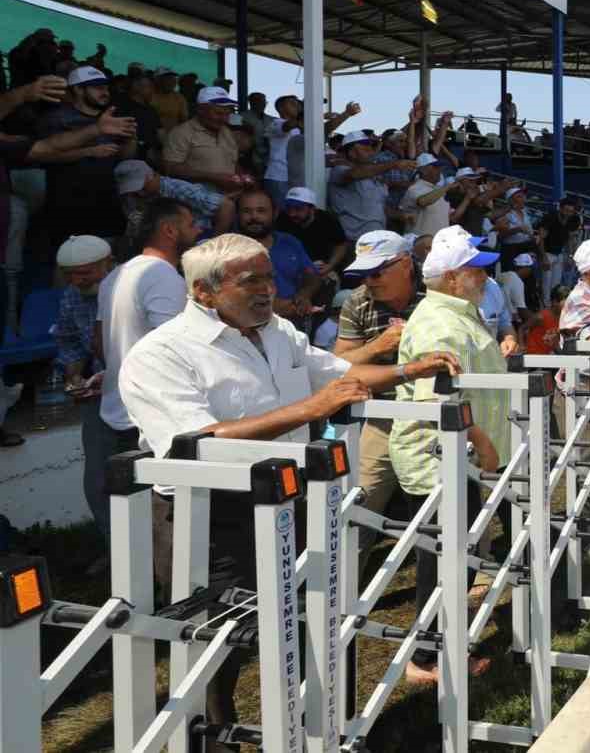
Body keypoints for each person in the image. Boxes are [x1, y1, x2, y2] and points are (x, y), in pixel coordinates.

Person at [118, 234, 457, 743]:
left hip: (293, 499)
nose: (268, 290)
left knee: (313, 620)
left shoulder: (277, 331)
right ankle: (215, 738)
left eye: (270, 277)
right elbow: (193, 442)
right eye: (251, 280)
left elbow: (341, 373)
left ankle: (321, 732)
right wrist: (309, 410)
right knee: (217, 645)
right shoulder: (160, 355)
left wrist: (408, 368)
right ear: (203, 293)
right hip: (209, 519)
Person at [388, 226, 518, 684]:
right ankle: (428, 657)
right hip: (439, 457)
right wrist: (483, 442)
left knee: (450, 558)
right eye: (474, 270)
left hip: (457, 454)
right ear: (450, 278)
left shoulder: (457, 312)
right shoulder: (441, 323)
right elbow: (435, 400)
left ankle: (440, 647)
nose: (484, 276)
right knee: (441, 560)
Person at [92, 200, 198, 543]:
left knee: (135, 525)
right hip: (148, 413)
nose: (197, 231)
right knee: (162, 523)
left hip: (118, 407)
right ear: (170, 230)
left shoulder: (115, 274)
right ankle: (168, 591)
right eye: (191, 224)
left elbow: (98, 342)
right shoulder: (162, 274)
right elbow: (171, 348)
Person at [333, 230, 425, 537]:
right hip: (382, 411)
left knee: (451, 496)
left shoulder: (438, 293)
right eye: (363, 272)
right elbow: (339, 366)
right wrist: (377, 346)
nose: (370, 280)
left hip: (434, 408)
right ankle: (348, 582)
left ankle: (471, 572)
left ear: (406, 264)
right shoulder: (357, 302)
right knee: (361, 499)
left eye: (377, 271)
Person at [36, 66, 136, 243]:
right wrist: (88, 152)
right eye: (97, 88)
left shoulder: (112, 118)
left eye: (105, 87)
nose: (105, 92)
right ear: (78, 89)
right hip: (68, 205)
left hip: (107, 203)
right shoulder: (57, 118)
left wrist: (131, 139)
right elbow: (44, 156)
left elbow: (126, 157)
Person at [235, 188, 321, 324]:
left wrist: (304, 294)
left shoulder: (290, 242)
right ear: (238, 215)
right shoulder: (228, 249)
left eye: (261, 211)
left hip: (294, 320)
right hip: (250, 324)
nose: (254, 217)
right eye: (247, 211)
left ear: (274, 214)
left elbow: (312, 275)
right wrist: (277, 307)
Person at [52, 234, 113, 392]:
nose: (76, 281)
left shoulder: (131, 287)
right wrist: (74, 376)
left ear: (108, 263)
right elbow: (70, 342)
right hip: (103, 383)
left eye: (84, 273)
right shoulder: (72, 295)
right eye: (69, 275)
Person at [160, 86, 246, 190]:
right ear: (200, 110)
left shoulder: (227, 132)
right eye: (218, 113)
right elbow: (171, 169)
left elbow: (232, 162)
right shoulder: (181, 133)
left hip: (231, 195)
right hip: (197, 198)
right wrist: (213, 178)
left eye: (227, 114)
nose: (224, 119)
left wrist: (242, 176)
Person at [329, 133, 412, 240]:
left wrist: (400, 215)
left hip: (377, 238)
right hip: (354, 240)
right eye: (365, 147)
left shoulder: (373, 176)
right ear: (350, 152)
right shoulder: (339, 169)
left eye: (372, 146)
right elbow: (354, 174)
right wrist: (393, 164)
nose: (370, 150)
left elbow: (378, 206)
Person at [277, 186, 353, 277]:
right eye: (289, 208)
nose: (292, 213)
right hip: (293, 267)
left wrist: (330, 265)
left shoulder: (327, 219)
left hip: (321, 268)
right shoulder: (282, 219)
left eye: (298, 209)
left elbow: (341, 244)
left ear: (312, 209)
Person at [399, 152, 463, 236]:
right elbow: (423, 201)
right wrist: (447, 187)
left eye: (439, 167)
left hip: (438, 243)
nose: (439, 170)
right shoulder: (415, 187)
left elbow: (451, 218)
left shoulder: (438, 191)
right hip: (419, 243)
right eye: (435, 167)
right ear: (423, 170)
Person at [538, 197, 583, 307]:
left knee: (556, 286)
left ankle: (554, 308)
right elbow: (540, 238)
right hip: (547, 253)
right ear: (560, 209)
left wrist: (571, 255)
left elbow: (569, 238)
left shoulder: (573, 219)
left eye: (571, 212)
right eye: (566, 211)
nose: (568, 214)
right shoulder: (550, 217)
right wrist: (543, 257)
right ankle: (545, 308)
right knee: (546, 286)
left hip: (559, 254)